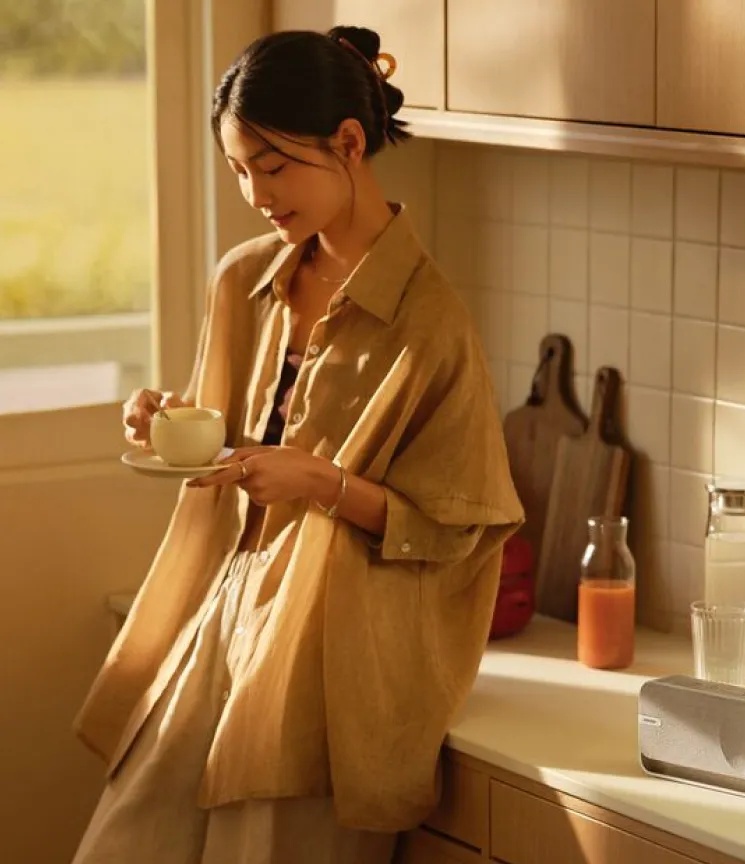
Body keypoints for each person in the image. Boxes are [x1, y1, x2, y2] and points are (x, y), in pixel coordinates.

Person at [71, 25, 523, 864]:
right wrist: (165, 420)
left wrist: (323, 483)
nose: (253, 193)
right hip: (224, 610)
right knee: (124, 841)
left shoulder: (432, 327)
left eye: (271, 167)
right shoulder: (245, 279)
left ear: (349, 143)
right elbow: (227, 448)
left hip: (331, 652)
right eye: (239, 169)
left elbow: (457, 531)